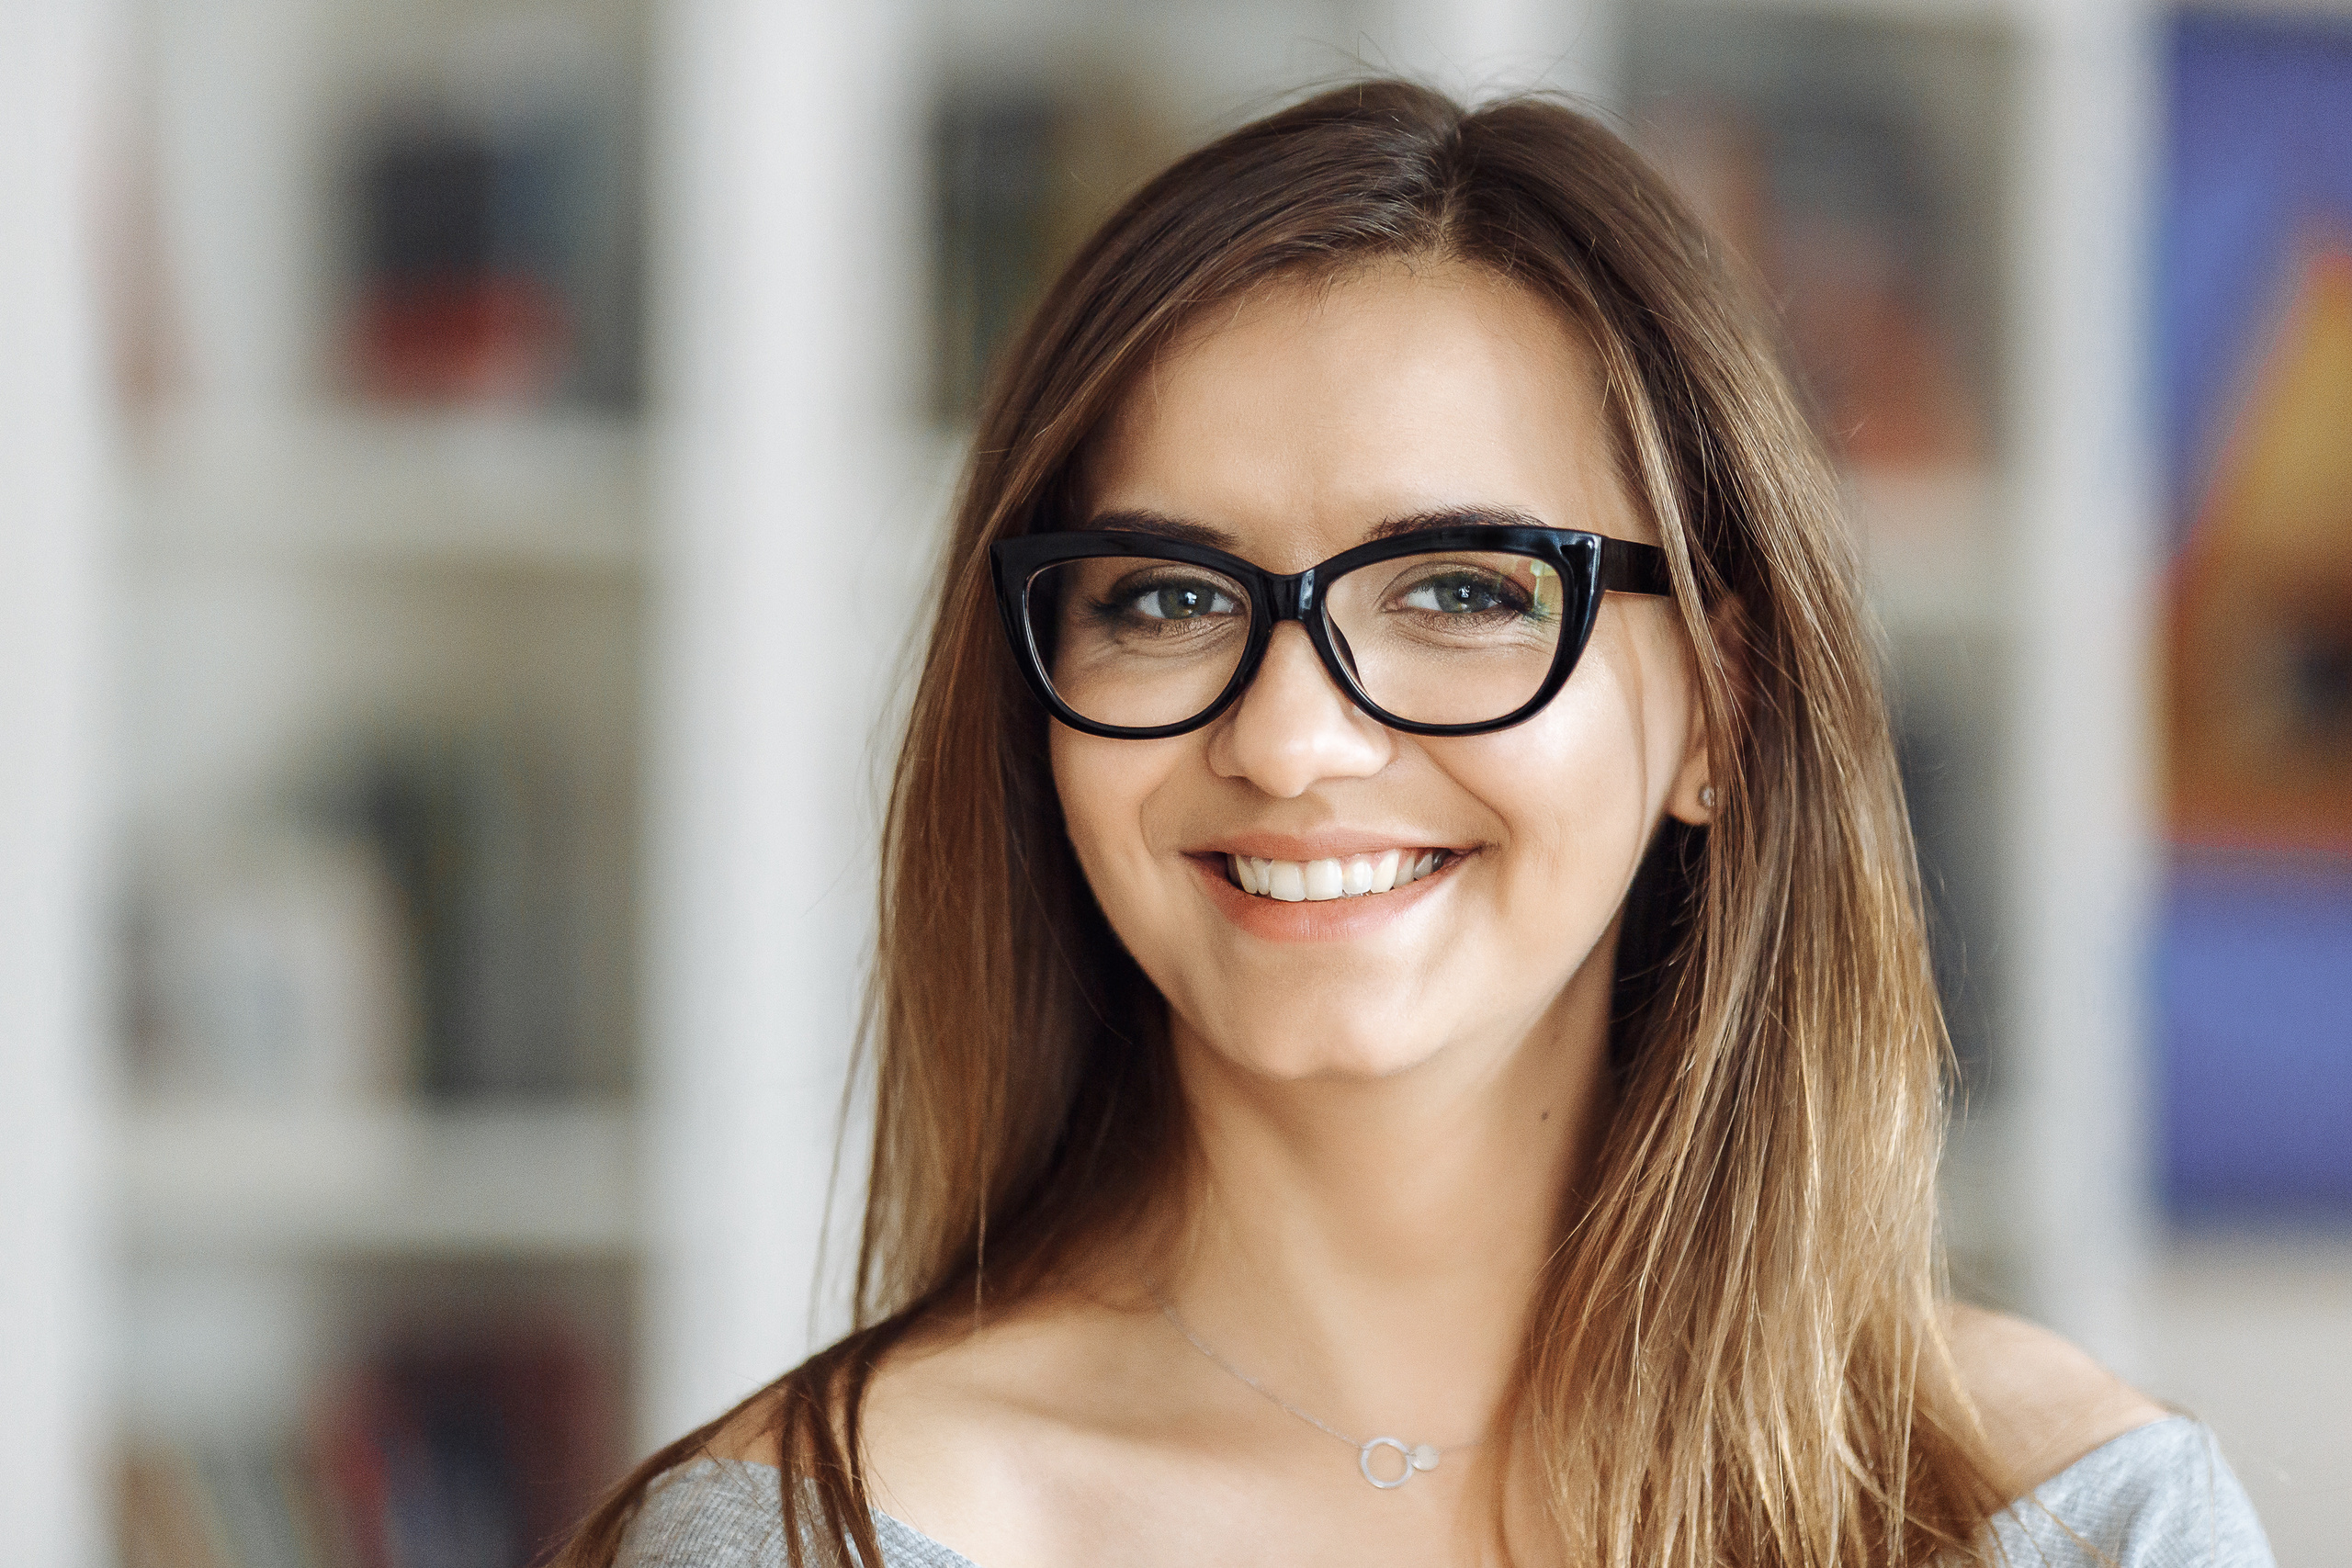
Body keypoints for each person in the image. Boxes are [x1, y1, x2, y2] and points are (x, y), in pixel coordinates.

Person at [561, 82, 2272, 1567]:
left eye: (1459, 587)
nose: (1290, 738)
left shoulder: (2064, 1518)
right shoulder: (824, 1537)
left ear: (1725, 711)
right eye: (1162, 599)